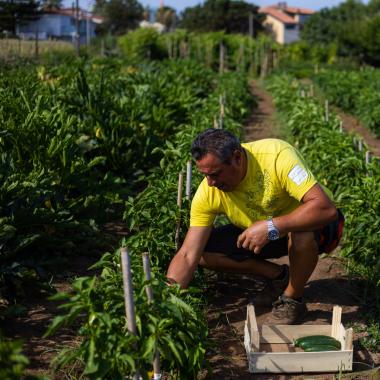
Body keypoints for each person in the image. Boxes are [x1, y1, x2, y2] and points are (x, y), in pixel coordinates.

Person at [167, 129, 344, 324]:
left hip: (317, 225)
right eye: (205, 175)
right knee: (203, 252)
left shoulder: (277, 156)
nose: (210, 183)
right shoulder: (209, 191)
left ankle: (293, 299)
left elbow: (326, 209)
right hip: (266, 233)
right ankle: (279, 277)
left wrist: (272, 226)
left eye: (215, 174)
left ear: (237, 157)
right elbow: (187, 254)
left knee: (301, 235)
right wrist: (166, 300)